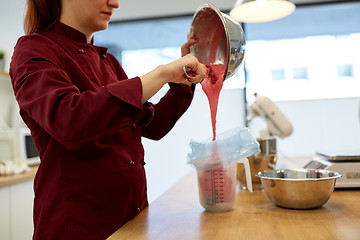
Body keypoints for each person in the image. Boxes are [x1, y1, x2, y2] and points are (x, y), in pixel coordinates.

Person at [9, 0, 207, 239]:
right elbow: (69, 118)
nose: (115, 2)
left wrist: (181, 85)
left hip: (132, 220)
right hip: (78, 228)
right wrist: (164, 73)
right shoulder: (34, 49)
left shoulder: (109, 62)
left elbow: (154, 125)